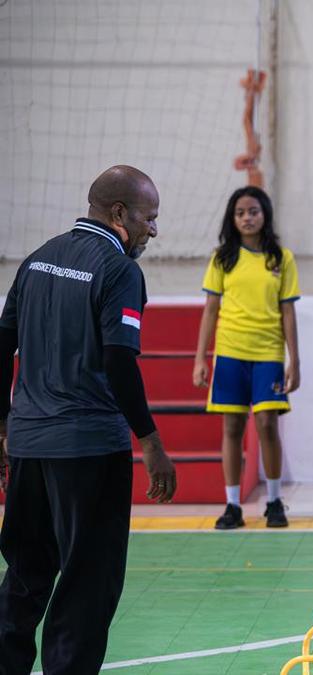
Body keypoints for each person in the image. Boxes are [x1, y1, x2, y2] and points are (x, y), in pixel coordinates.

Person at [0, 165, 177, 673]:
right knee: (86, 583)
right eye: (150, 217)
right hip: (88, 450)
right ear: (120, 213)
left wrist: (3, 428)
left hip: (30, 445)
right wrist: (151, 443)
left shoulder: (35, 261)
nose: (153, 229)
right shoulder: (119, 269)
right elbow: (120, 360)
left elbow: (0, 347)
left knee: (25, 576)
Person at [192, 186, 301, 530]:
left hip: (268, 352)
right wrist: (200, 358)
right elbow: (210, 310)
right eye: (240, 213)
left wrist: (293, 360)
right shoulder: (222, 257)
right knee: (232, 427)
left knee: (267, 424)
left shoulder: (281, 258)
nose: (247, 218)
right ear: (232, 218)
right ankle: (233, 505)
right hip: (229, 352)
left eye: (253, 211)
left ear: (264, 214)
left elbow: (288, 313)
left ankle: (273, 501)